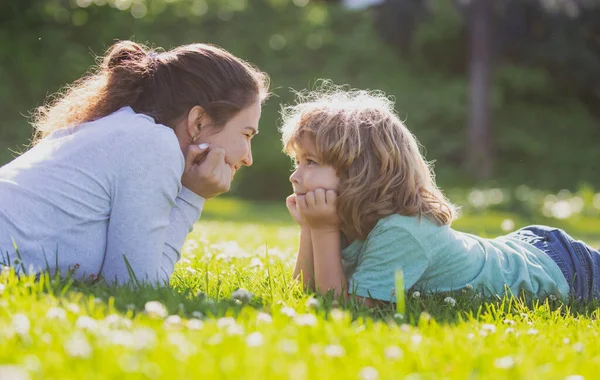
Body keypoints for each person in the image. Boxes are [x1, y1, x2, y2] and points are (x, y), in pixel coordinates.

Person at [280, 83, 599, 306]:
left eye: (311, 162)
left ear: (360, 169)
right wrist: (311, 227)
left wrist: (320, 230)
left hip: (568, 271)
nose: (296, 175)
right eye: (297, 162)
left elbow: (346, 312)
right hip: (522, 247)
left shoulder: (401, 231)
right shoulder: (346, 221)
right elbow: (306, 291)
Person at [0, 40, 269, 285]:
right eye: (246, 135)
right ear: (199, 121)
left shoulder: (128, 131)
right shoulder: (152, 144)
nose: (248, 157)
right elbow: (135, 284)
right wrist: (192, 196)